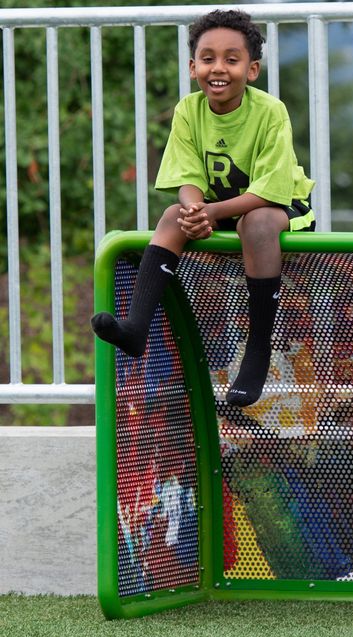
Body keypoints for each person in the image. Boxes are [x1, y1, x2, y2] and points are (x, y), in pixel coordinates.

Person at [91, 9, 315, 407]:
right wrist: (195, 211)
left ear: (252, 70)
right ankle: (137, 326)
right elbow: (188, 176)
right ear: (193, 67)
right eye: (208, 58)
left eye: (232, 59)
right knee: (172, 216)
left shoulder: (269, 112)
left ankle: (258, 351)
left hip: (279, 206)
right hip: (218, 207)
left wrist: (210, 213)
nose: (219, 68)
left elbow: (270, 190)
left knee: (258, 224)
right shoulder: (188, 111)